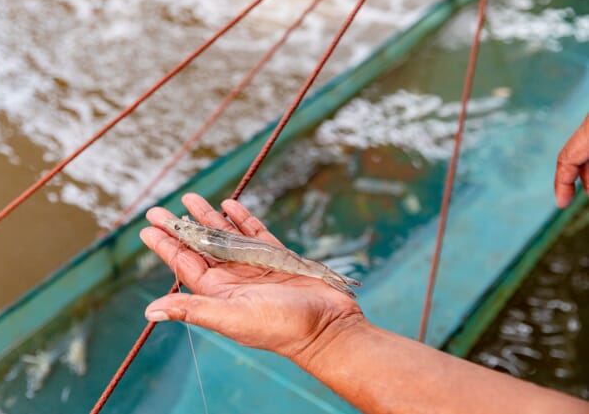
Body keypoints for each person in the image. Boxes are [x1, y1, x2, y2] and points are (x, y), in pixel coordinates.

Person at [139, 113, 589, 414]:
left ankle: (329, 278)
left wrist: (326, 337)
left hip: (291, 280)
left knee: (293, 263)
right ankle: (327, 279)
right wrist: (330, 336)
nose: (182, 232)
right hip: (290, 282)